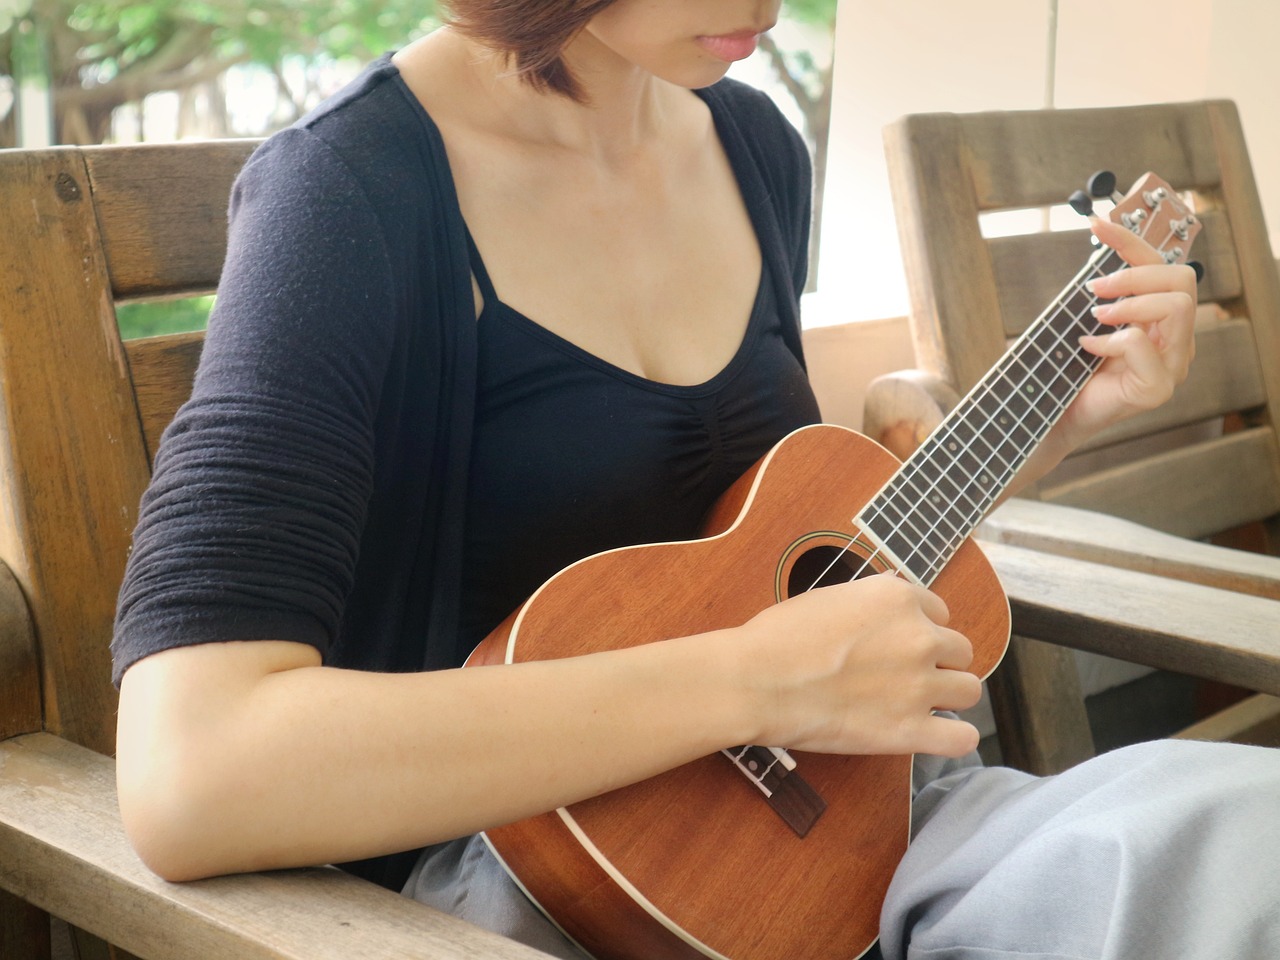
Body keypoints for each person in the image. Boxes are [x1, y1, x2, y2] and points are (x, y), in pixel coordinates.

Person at [111, 2, 1279, 958]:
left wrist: (1058, 418)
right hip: (521, 895)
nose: (768, 7)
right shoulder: (348, 195)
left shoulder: (753, 145)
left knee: (1247, 837)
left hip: (840, 848)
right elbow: (193, 772)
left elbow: (764, 565)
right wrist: (750, 685)